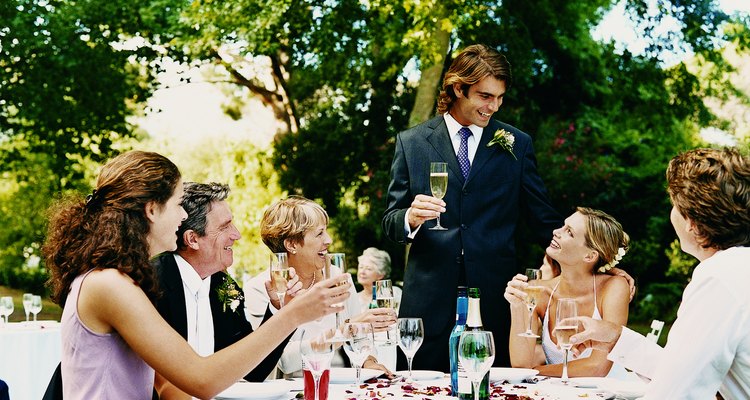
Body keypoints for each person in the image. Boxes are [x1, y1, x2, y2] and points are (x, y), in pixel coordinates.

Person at [43, 151, 349, 399]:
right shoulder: (109, 285)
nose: (182, 217)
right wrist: (293, 315)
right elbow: (201, 379)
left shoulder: (124, 281)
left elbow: (171, 385)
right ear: (152, 210)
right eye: (177, 204)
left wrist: (282, 312)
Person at [382, 44, 562, 370]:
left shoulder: (517, 144)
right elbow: (390, 221)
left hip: (494, 297)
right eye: (485, 96)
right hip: (428, 300)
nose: (494, 106)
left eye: (500, 97)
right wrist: (409, 217)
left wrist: (597, 266)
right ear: (458, 88)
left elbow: (543, 219)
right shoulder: (411, 143)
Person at [567, 147, 750, 399]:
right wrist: (617, 339)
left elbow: (676, 393)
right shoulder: (738, 268)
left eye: (674, 204)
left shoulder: (719, 278)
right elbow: (684, 368)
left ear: (691, 223)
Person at [152, 182, 292, 392]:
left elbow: (254, 370)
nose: (237, 235)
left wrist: (280, 310)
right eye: (225, 226)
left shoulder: (223, 285)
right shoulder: (151, 284)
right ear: (193, 239)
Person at [244, 196, 397, 376]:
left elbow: (361, 336)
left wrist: (368, 362)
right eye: (319, 233)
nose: (329, 240)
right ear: (292, 244)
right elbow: (283, 360)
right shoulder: (260, 289)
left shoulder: (338, 277)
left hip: (344, 385)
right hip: (295, 391)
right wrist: (341, 333)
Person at [505, 207, 631, 378]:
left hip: (611, 393)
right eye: (563, 226)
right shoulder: (539, 292)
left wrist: (535, 372)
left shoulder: (614, 287)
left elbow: (597, 367)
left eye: (569, 232)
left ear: (589, 256)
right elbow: (521, 364)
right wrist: (517, 305)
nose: (556, 232)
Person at [356, 247, 402, 312]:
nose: (362, 272)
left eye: (368, 269)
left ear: (381, 275)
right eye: (361, 267)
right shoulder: (354, 297)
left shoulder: (393, 293)